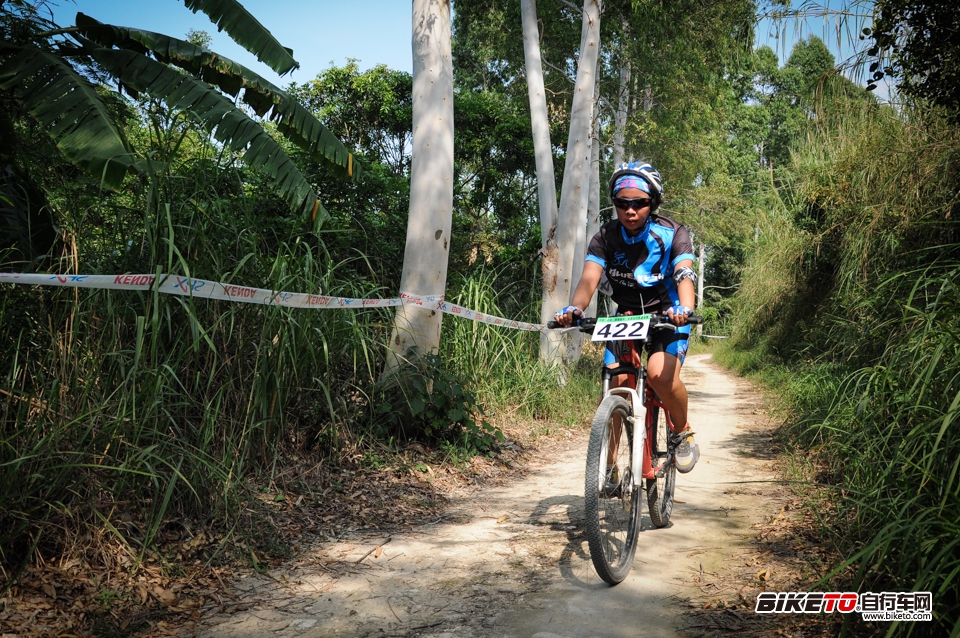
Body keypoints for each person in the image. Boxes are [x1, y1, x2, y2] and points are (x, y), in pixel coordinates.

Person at [554, 161, 700, 473]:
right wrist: (574, 309)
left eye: (639, 204)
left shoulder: (673, 233)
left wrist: (685, 309)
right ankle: (609, 466)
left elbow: (684, 274)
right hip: (628, 314)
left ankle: (681, 430)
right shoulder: (605, 237)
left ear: (653, 203)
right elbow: (589, 280)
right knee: (617, 383)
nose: (630, 211)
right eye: (622, 203)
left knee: (659, 374)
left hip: (667, 312)